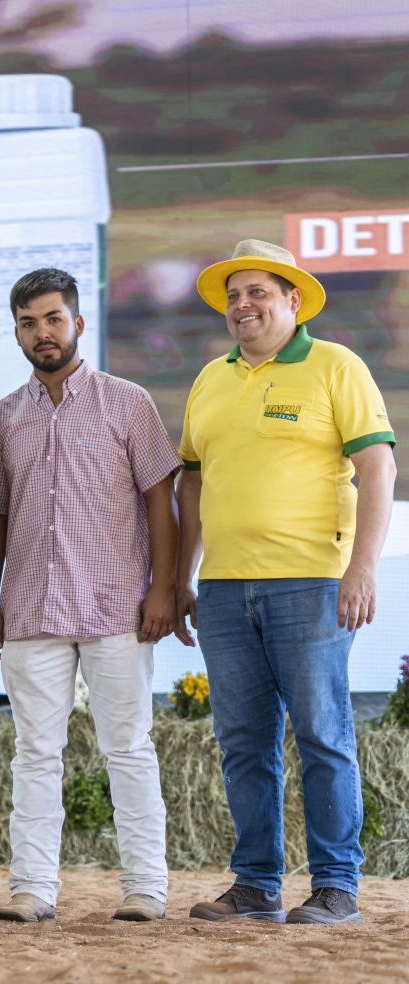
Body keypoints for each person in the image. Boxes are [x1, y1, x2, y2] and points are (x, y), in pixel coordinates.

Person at [177, 239, 396, 925]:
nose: (243, 305)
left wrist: (362, 568)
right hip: (222, 587)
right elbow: (192, 482)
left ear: (293, 300)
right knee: (243, 742)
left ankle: (336, 886)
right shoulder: (209, 378)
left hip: (311, 582)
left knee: (323, 736)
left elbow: (378, 468)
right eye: (233, 295)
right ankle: (256, 885)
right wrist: (182, 576)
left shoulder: (336, 365)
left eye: (258, 292)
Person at [0, 268, 177, 924]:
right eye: (29, 323)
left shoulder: (128, 402)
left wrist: (163, 587)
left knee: (129, 746)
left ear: (78, 323)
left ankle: (145, 887)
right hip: (30, 607)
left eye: (53, 319)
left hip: (118, 605)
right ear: (17, 334)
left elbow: (161, 500)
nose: (43, 333)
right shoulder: (5, 417)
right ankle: (32, 889)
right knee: (34, 752)